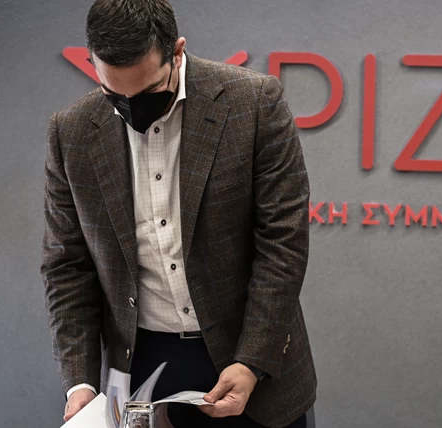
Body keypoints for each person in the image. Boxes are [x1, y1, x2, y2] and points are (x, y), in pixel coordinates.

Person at [41, 1, 316, 426]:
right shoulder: (71, 131)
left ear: (177, 51)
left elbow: (283, 243)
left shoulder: (254, 102)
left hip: (251, 363)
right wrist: (80, 383)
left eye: (149, 91)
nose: (132, 107)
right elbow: (67, 267)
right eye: (115, 95)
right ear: (92, 62)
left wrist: (251, 361)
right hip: (139, 370)